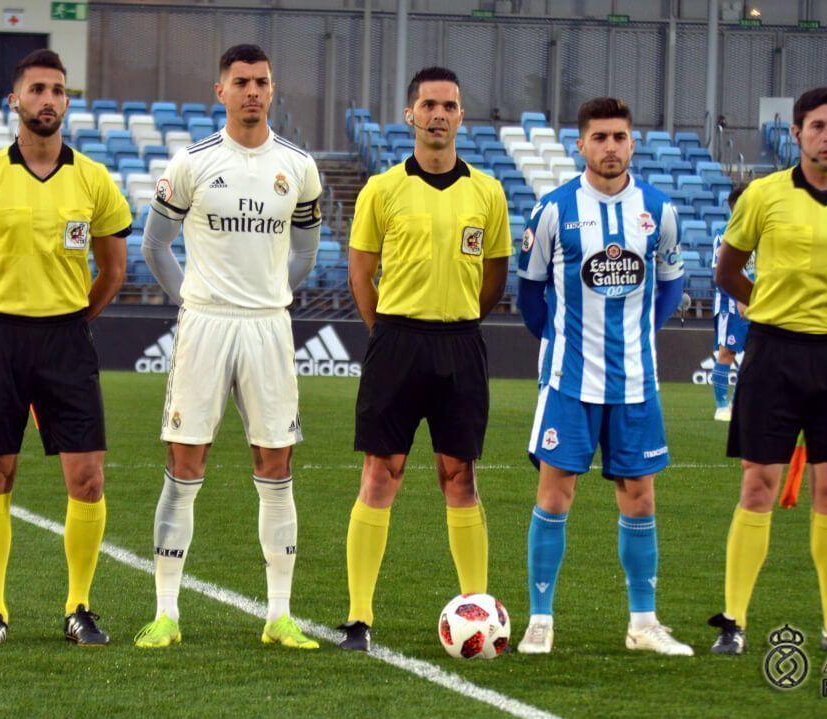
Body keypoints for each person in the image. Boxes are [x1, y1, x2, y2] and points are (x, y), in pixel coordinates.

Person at [134, 44, 322, 651]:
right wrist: (191, 299)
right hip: (206, 325)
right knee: (185, 462)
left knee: (276, 466)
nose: (252, 92)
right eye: (241, 82)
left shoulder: (299, 167)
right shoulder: (191, 163)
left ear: (272, 90)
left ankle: (279, 616)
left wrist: (271, 295)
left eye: (261, 82)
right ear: (220, 91)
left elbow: (306, 249)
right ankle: (166, 613)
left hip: (268, 326)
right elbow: (154, 245)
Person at [0, 49, 131, 649]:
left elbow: (114, 270)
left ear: (67, 102)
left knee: (88, 478)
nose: (47, 99)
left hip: (67, 340)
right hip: (0, 339)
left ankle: (79, 607)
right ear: (15, 100)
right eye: (36, 89)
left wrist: (73, 316)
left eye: (57, 90)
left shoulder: (93, 179)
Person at [707, 87, 827, 655]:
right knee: (758, 484)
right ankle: (734, 622)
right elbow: (728, 272)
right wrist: (767, 307)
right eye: (817, 126)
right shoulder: (763, 195)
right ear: (796, 134)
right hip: (773, 354)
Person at [339, 66, 511, 652]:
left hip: (460, 344)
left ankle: (478, 612)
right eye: (429, 105)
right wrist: (385, 334)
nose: (439, 114)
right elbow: (361, 274)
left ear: (461, 116)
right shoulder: (382, 189)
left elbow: (494, 277)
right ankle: (359, 617)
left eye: (449, 106)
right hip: (396, 342)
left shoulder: (487, 192)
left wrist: (459, 319)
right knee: (380, 473)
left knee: (460, 476)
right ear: (410, 114)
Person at [514, 97, 691, 656]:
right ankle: (539, 620)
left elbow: (672, 284)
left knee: (640, 497)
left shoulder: (658, 210)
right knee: (555, 493)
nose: (610, 147)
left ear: (632, 143)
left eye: (619, 137)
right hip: (569, 380)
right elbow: (529, 295)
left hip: (636, 382)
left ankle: (643, 623)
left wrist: (642, 332)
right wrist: (559, 340)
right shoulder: (553, 210)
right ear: (581, 145)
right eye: (600, 137)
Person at [709, 184, 751, 422]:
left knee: (753, 356)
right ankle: (721, 406)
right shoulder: (725, 234)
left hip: (758, 304)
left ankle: (737, 404)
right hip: (731, 304)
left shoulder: (762, 234)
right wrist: (740, 299)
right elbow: (720, 273)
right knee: (727, 352)